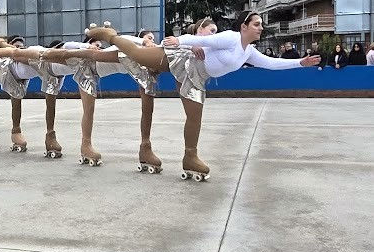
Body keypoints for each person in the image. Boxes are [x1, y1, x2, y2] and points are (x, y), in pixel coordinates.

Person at [84, 12, 320, 180]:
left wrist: (300, 62)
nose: (260, 28)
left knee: (195, 117)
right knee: (136, 54)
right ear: (244, 26)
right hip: (182, 60)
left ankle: (190, 158)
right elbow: (203, 40)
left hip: (197, 78)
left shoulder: (248, 51)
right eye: (256, 24)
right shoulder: (230, 38)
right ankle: (110, 35)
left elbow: (271, 63)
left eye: (261, 25)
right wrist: (179, 41)